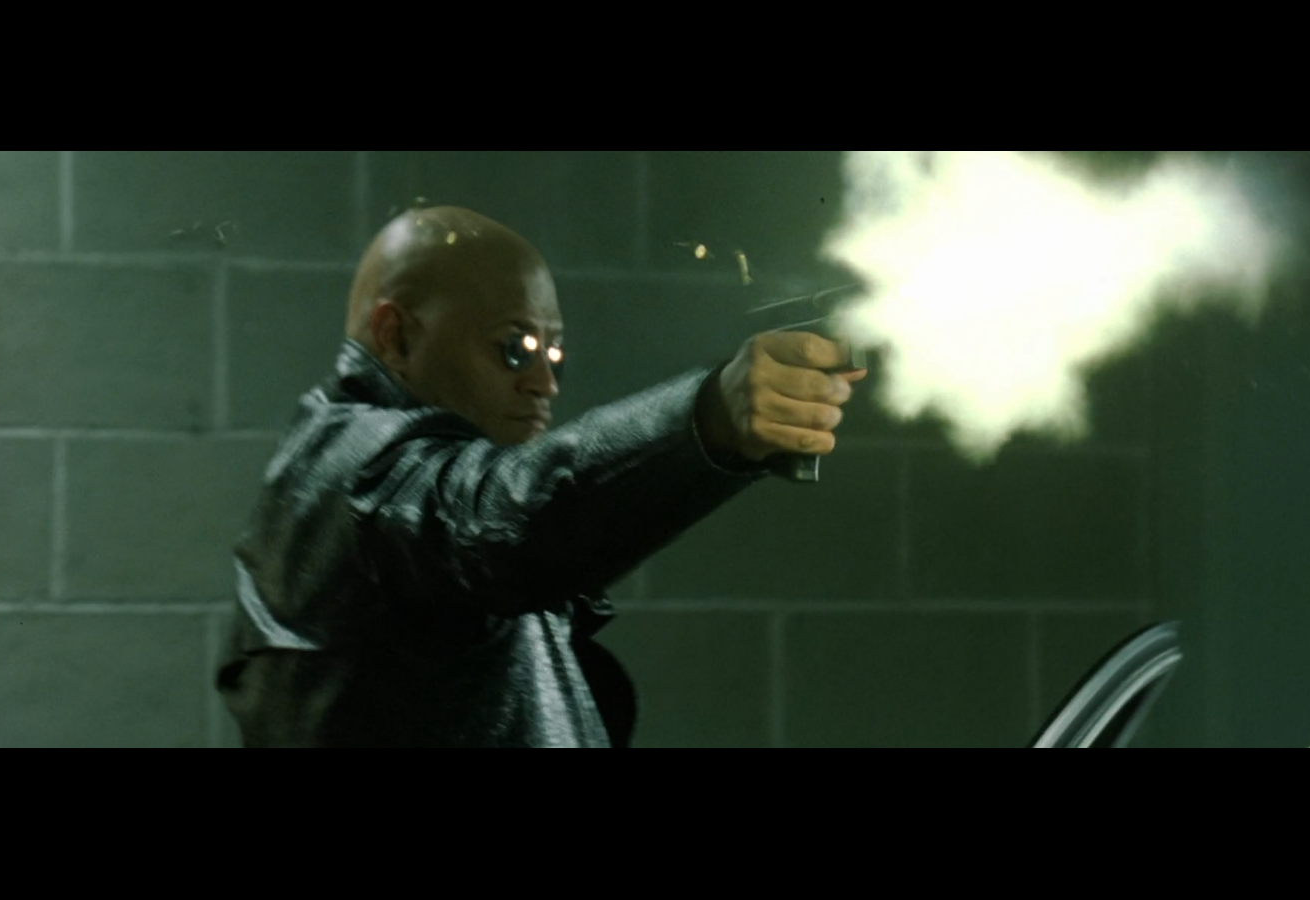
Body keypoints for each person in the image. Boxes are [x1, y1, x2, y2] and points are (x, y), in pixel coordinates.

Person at [216, 207, 867, 748]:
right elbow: (494, 519)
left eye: (553, 352)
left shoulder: (349, 472)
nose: (544, 382)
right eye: (515, 347)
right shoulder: (362, 471)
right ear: (396, 337)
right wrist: (709, 416)